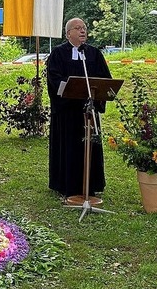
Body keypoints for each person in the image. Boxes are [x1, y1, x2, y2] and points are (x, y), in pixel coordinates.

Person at [46, 18, 112, 198]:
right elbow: (54, 80)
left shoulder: (94, 54)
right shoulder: (58, 54)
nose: (82, 31)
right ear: (68, 34)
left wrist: (98, 94)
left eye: (84, 28)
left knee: (89, 145)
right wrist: (70, 90)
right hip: (67, 113)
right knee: (69, 147)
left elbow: (105, 79)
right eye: (77, 28)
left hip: (88, 110)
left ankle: (92, 182)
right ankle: (66, 184)